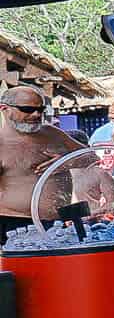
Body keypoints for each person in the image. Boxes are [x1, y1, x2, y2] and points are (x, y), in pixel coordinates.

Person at [0, 86, 82, 241]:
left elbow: (91, 157)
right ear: (5, 109)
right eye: (28, 109)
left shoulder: (52, 133)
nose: (36, 114)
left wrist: (67, 161)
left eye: (41, 109)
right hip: (16, 223)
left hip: (58, 222)